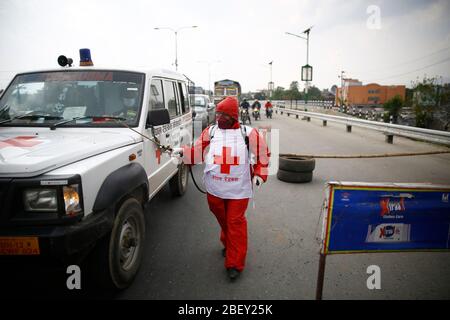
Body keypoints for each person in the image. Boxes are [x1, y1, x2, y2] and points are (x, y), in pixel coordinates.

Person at [173, 96, 270, 281]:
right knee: (223, 218)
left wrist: (259, 174)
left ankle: (234, 263)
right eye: (218, 114)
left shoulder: (248, 133)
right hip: (215, 187)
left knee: (235, 222)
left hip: (238, 189)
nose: (219, 118)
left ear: (233, 116)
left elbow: (263, 155)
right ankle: (229, 240)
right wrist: (183, 154)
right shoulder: (211, 132)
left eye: (224, 115)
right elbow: (197, 153)